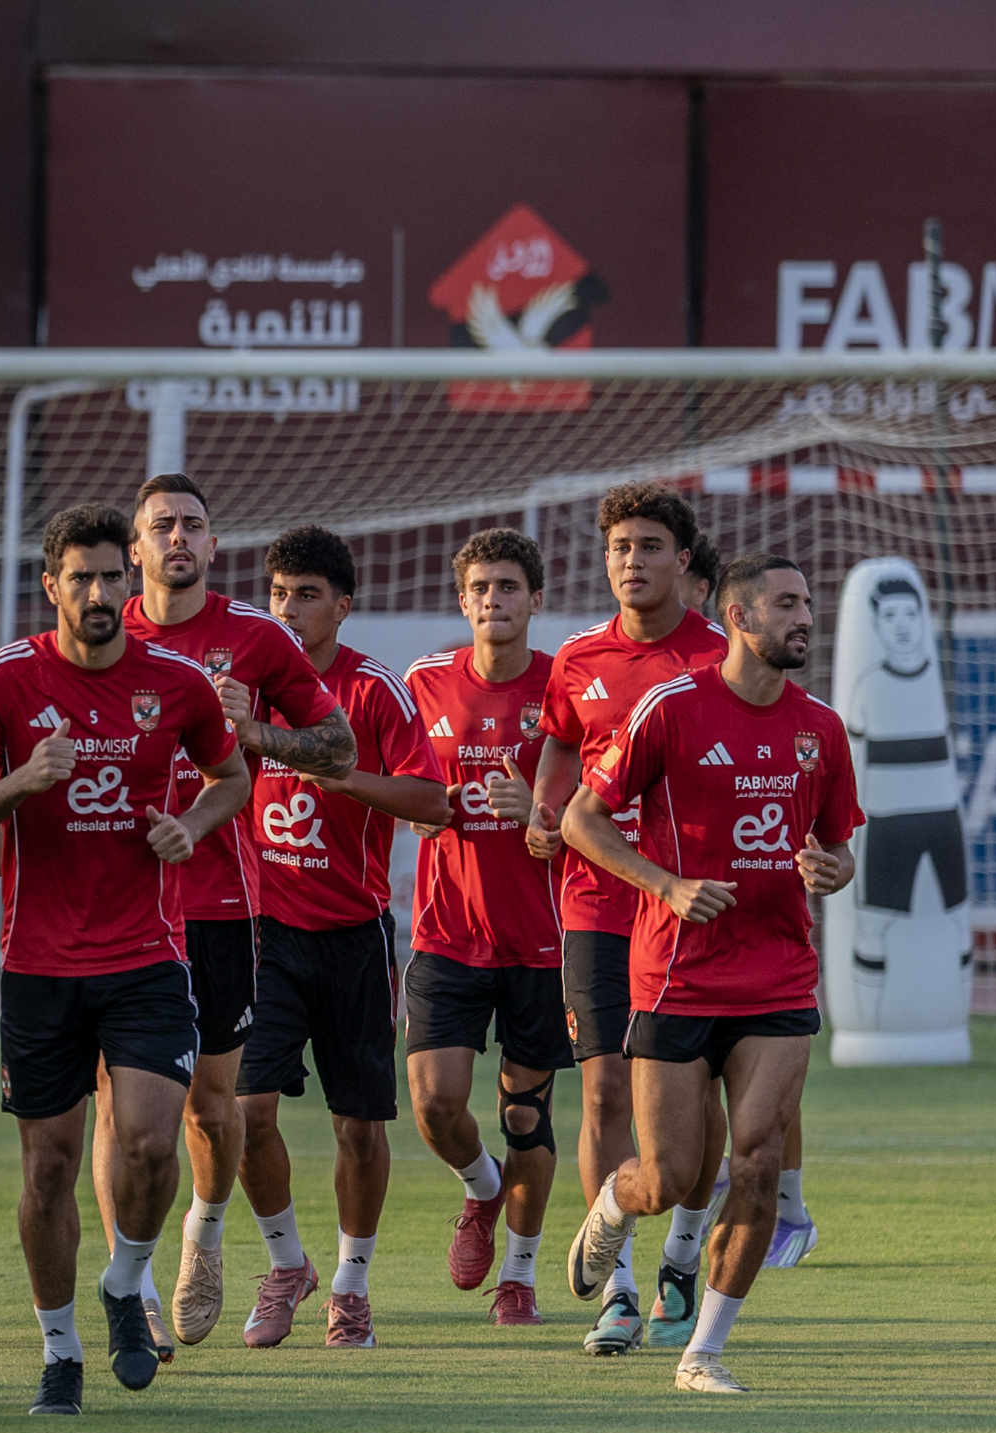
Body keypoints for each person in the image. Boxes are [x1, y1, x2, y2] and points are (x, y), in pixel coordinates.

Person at [0, 504, 250, 1416]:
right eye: (83, 577)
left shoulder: (179, 683)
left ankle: (124, 1280)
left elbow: (229, 776)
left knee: (152, 1140)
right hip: (38, 966)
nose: (103, 592)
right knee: (47, 1169)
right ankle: (59, 1350)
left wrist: (188, 825)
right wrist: (23, 781)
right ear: (52, 585)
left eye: (116, 574)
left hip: (147, 956)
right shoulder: (3, 682)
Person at [556, 555, 858, 1396]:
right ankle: (615, 1207)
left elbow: (837, 845)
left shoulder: (821, 728)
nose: (806, 615)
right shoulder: (673, 707)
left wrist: (833, 869)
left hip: (779, 978)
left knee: (758, 1164)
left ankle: (703, 1352)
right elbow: (583, 819)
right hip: (676, 978)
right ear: (737, 614)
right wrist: (666, 885)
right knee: (671, 1177)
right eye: (787, 603)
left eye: (809, 601)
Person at [120, 474, 353, 1348]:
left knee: (214, 1108)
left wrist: (255, 734)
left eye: (193, 525)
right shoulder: (102, 637)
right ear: (134, 548)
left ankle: (203, 1237)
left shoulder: (253, 637)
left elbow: (338, 744)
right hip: (121, 906)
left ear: (214, 547)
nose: (177, 537)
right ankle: (130, 1280)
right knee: (121, 1111)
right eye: (161, 526)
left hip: (219, 901)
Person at [234, 526, 443, 1349]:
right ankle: (287, 1262)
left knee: (358, 1126)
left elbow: (432, 801)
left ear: (342, 607)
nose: (289, 608)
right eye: (279, 592)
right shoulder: (239, 689)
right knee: (246, 1110)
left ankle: (352, 1283)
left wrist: (331, 768)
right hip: (262, 935)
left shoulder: (373, 693)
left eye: (308, 594)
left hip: (354, 938)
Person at [533, 483, 728, 1355]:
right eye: (619, 546)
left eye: (649, 545)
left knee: (699, 1096)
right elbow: (560, 743)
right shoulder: (577, 658)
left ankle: (681, 1260)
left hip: (695, 914)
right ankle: (615, 1286)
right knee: (606, 1087)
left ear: (682, 559)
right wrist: (545, 810)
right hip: (601, 906)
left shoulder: (723, 656)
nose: (631, 561)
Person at [398, 529, 572, 1328]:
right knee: (435, 1104)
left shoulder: (566, 688)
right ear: (463, 599)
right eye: (480, 587)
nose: (493, 600)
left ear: (534, 599)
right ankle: (481, 1188)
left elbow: (601, 808)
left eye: (508, 586)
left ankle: (520, 1276)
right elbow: (401, 784)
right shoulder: (425, 682)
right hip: (447, 934)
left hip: (542, 940)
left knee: (526, 1116)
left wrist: (540, 816)